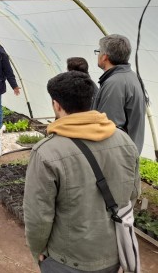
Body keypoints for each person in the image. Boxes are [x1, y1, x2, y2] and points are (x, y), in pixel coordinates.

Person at [24, 71, 140, 273]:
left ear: (57, 105)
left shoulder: (46, 152)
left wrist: (38, 250)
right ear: (91, 101)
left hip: (67, 259)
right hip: (112, 254)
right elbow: (132, 195)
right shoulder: (124, 141)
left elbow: (38, 216)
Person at [93, 34, 146, 153]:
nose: (98, 55)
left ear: (104, 57)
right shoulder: (129, 77)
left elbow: (107, 129)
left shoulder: (115, 83)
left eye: (98, 51)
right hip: (126, 155)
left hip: (116, 158)